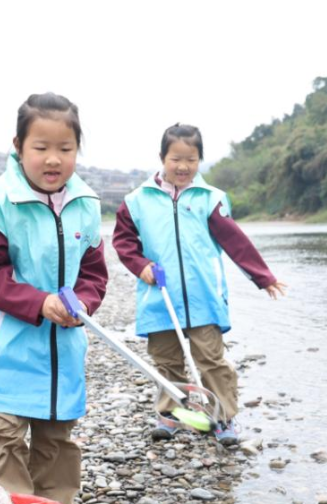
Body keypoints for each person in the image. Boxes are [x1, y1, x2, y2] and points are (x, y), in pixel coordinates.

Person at [0, 92, 107, 504]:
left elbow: (93, 272)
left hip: (60, 355)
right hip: (1, 350)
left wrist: (83, 303)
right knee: (5, 440)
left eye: (65, 149)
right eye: (41, 148)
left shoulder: (86, 206)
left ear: (77, 150)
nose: (53, 159)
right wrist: (40, 303)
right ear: (18, 147)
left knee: (56, 441)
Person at [112, 123, 286, 446]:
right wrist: (142, 266)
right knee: (166, 360)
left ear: (200, 160)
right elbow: (123, 243)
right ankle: (170, 413)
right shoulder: (137, 201)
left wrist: (264, 277)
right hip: (159, 297)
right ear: (162, 157)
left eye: (191, 159)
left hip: (204, 297)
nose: (183, 166)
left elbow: (235, 242)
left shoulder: (211, 199)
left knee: (212, 360)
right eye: (175, 158)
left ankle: (223, 417)